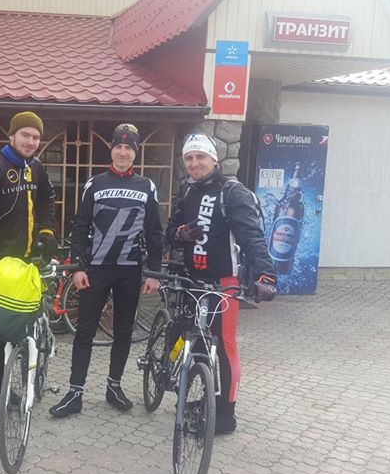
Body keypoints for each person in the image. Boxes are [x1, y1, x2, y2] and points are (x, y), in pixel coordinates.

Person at [165, 133, 277, 434]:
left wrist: (266, 275)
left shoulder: (232, 192)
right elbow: (170, 232)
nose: (194, 163)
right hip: (192, 281)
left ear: (214, 159)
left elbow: (251, 236)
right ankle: (199, 396)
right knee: (194, 343)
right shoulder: (187, 190)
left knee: (225, 349)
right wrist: (182, 233)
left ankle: (226, 415)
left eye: (200, 156)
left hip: (224, 284)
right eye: (189, 158)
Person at [50, 123, 164, 418]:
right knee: (84, 331)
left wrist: (153, 272)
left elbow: (154, 231)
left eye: (129, 148)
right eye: (119, 147)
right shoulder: (95, 184)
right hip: (96, 270)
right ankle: (75, 393)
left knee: (123, 331)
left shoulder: (147, 186)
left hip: (130, 271)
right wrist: (77, 268)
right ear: (111, 150)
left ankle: (114, 387)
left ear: (135, 153)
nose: (123, 152)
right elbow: (80, 226)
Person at [0, 111, 57, 430]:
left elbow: (48, 200)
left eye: (36, 137)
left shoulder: (36, 167)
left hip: (26, 263)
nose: (30, 141)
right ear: (11, 135)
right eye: (25, 135)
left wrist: (47, 232)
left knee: (16, 330)